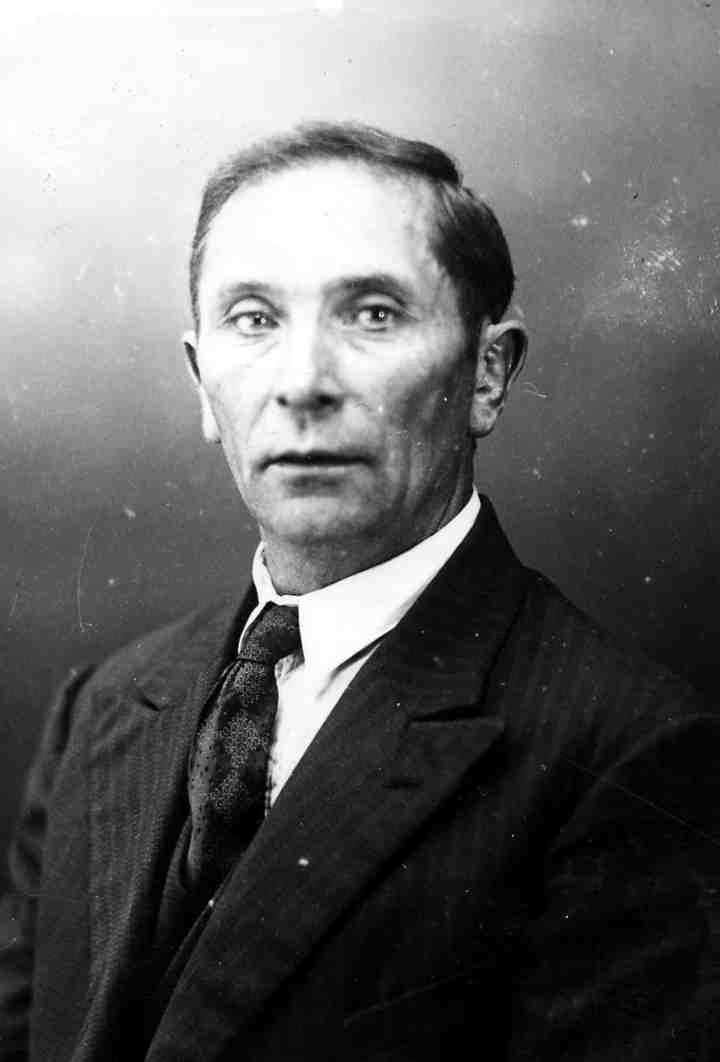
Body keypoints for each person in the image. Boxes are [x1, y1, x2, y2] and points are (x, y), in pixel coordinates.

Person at [0, 122, 717, 1062]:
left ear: (487, 373)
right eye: (254, 318)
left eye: (373, 314)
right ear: (202, 383)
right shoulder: (99, 710)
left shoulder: (629, 751)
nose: (303, 383)